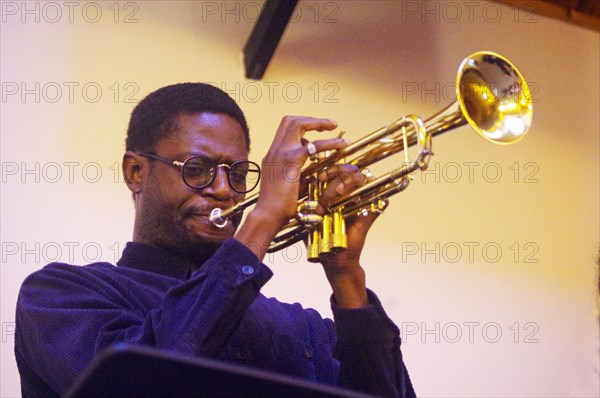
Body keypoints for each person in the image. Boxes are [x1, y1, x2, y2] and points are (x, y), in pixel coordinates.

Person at [15, 83, 416, 397]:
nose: (225, 190)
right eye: (198, 168)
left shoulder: (307, 328)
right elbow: (143, 385)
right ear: (136, 171)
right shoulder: (59, 294)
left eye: (238, 174)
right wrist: (262, 219)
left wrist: (346, 274)